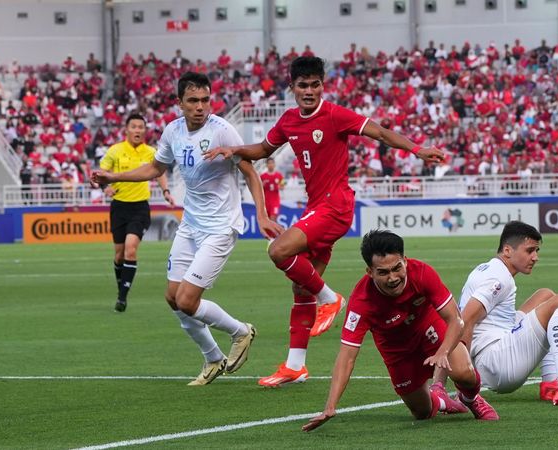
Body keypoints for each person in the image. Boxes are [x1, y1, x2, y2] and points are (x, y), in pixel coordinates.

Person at [204, 56, 444, 387]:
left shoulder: (334, 115)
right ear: (292, 88)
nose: (309, 91)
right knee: (301, 286)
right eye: (303, 85)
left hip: (336, 206)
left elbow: (381, 133)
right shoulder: (289, 121)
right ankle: (295, 366)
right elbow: (262, 149)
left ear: (322, 86)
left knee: (278, 251)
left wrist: (416, 149)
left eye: (315, 84)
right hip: (316, 207)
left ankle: (330, 298)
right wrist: (233, 150)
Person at [92, 72, 282, 385]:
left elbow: (249, 172)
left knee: (187, 300)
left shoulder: (223, 131)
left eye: (205, 100)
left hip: (220, 227)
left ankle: (241, 332)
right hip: (191, 224)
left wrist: (261, 215)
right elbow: (156, 168)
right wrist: (113, 178)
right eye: (193, 100)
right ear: (180, 103)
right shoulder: (173, 131)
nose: (200, 106)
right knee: (171, 296)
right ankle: (213, 358)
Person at [301, 230, 498, 432]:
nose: (393, 278)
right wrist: (330, 406)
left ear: (405, 260)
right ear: (369, 272)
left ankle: (471, 398)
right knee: (422, 412)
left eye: (397, 268)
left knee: (463, 372)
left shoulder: (422, 273)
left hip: (428, 327)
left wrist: (443, 352)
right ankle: (441, 400)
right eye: (383, 272)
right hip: (396, 350)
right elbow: (347, 356)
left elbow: (456, 320)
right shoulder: (361, 302)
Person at [436, 221, 558, 406]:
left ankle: (550, 383)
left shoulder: (488, 268)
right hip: (496, 364)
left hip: (491, 352)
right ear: (507, 251)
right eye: (529, 251)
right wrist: (464, 380)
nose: (535, 257)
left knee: (545, 295)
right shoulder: (498, 279)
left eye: (537, 251)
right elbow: (465, 320)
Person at [99, 113, 176, 312]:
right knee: (119, 255)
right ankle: (121, 288)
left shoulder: (151, 152)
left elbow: (159, 172)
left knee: (130, 248)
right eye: (134, 126)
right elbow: (101, 173)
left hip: (140, 208)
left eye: (141, 127)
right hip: (119, 207)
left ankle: (122, 298)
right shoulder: (115, 151)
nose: (138, 130)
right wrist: (105, 188)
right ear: (127, 129)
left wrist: (166, 191)